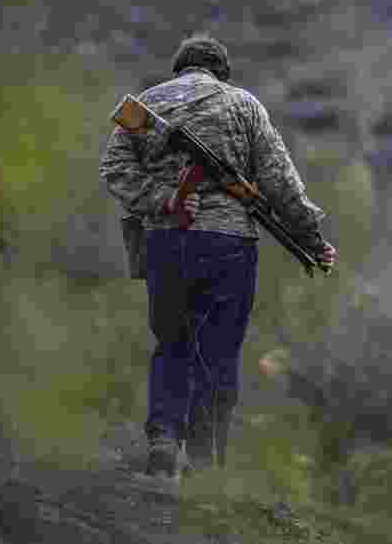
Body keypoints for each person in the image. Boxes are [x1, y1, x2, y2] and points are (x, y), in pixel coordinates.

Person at [99, 33, 337, 480]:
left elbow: (114, 168)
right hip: (229, 244)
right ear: (220, 71)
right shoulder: (244, 105)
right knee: (219, 353)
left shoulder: (149, 104)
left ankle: (164, 440)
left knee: (172, 344)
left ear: (179, 67)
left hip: (166, 242)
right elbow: (280, 180)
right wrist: (312, 237)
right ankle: (205, 464)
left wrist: (164, 198)